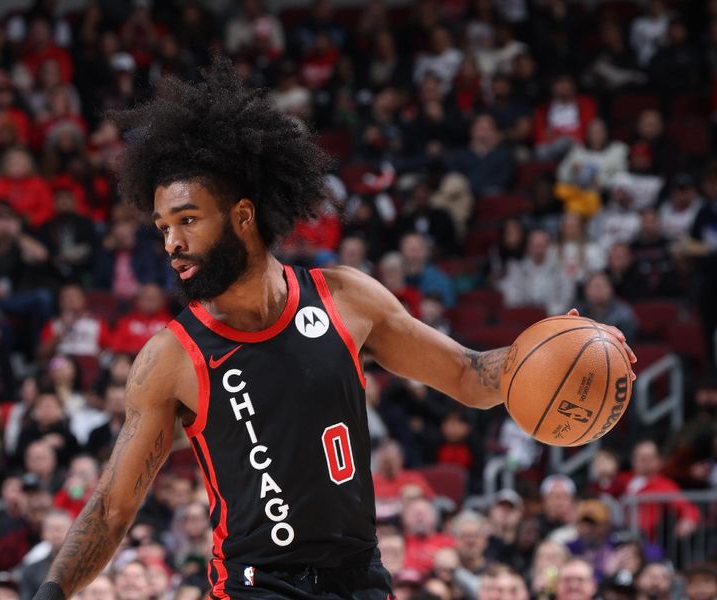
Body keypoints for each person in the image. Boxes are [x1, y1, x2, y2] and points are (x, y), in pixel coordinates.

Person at [32, 61, 635, 600]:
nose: (172, 244)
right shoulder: (170, 356)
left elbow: (469, 377)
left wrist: (559, 348)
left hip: (360, 578)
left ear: (242, 216)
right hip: (254, 584)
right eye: (163, 226)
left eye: (187, 220)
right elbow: (113, 508)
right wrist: (52, 592)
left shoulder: (345, 298)